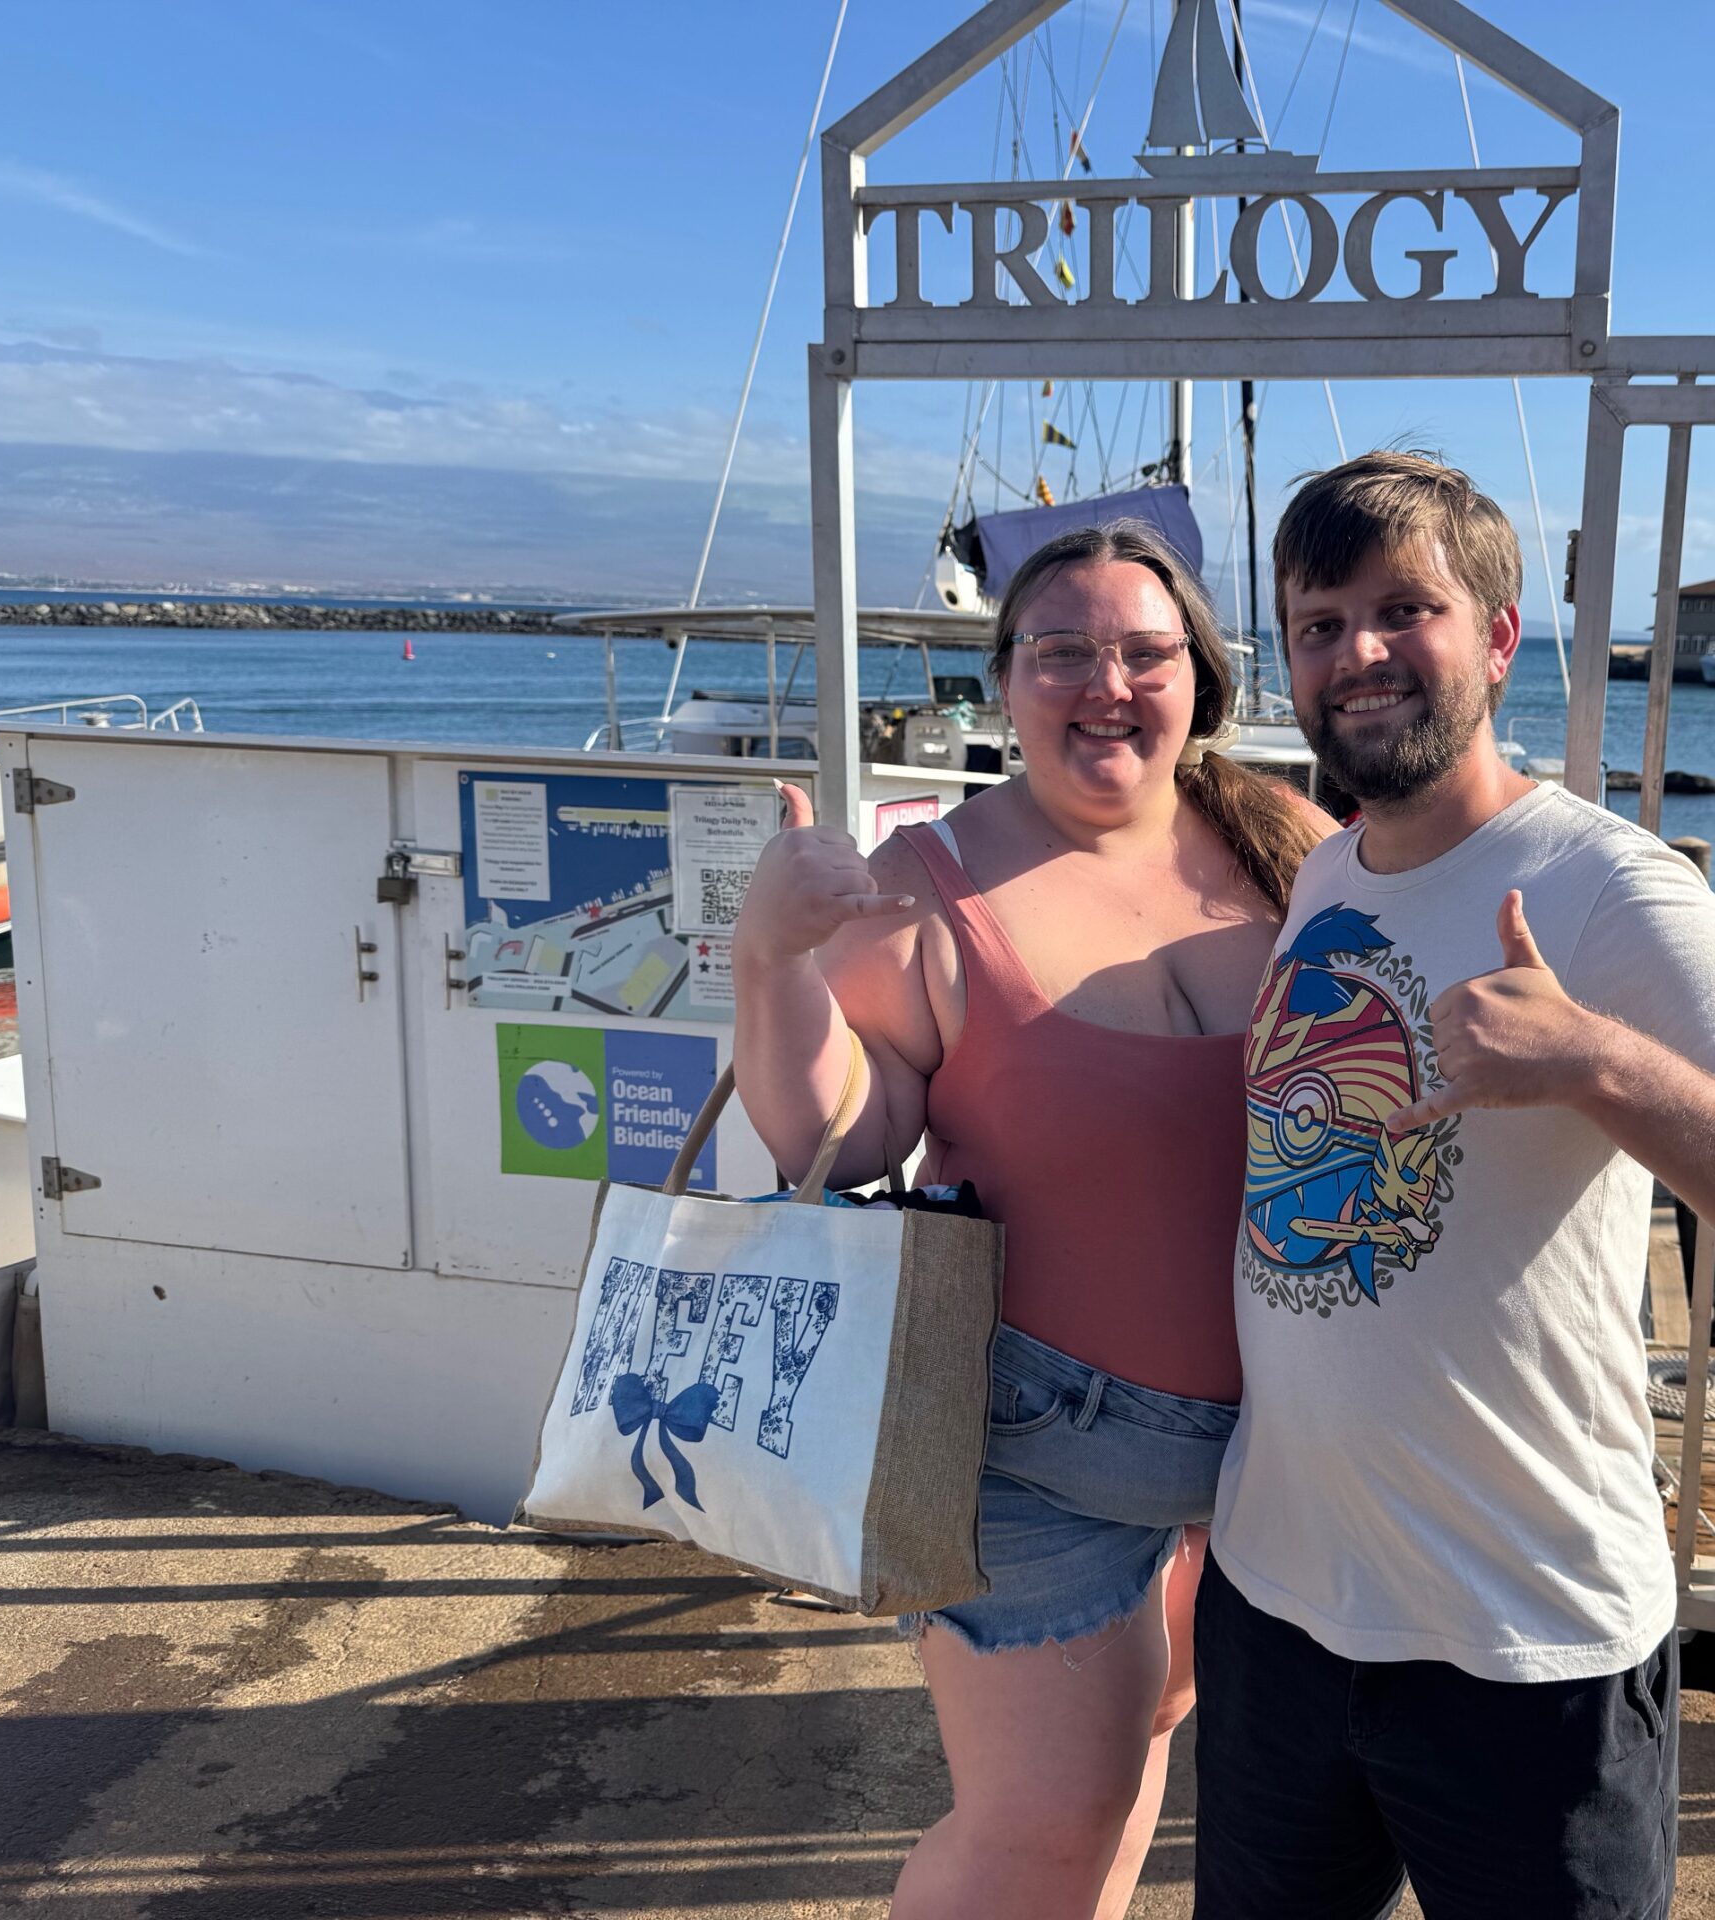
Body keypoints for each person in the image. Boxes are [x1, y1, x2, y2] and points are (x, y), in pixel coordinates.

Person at [1195, 451, 1715, 1919]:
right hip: (1279, 1609)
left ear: (1502, 638)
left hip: (1524, 1645)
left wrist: (1599, 1062)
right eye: (1322, 623)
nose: (1362, 654)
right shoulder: (1330, 876)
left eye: (1409, 609)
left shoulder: (1609, 888)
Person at [732, 521, 1326, 1920]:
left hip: (1280, 1453)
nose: (1104, 682)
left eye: (1142, 651)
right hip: (1038, 1452)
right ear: (1004, 683)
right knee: (1043, 1832)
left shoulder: (1284, 843)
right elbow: (842, 1137)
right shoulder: (924, 885)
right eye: (1062, 651)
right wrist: (769, 958)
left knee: (1135, 1778)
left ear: (1201, 680)